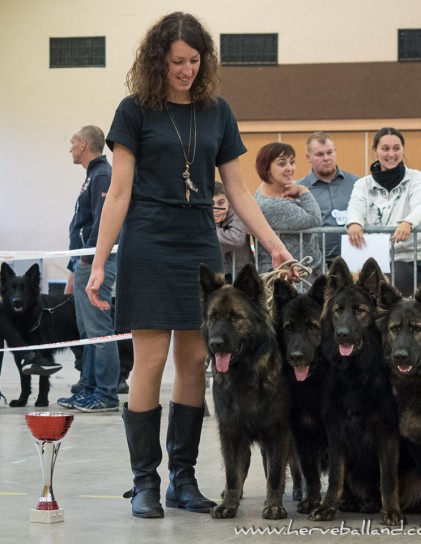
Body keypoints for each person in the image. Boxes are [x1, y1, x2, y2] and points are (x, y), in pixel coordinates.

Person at [85, 12, 296, 520]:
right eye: (177, 61)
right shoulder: (133, 111)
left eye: (194, 61)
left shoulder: (216, 111)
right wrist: (98, 263)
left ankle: (183, 478)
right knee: (150, 361)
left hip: (198, 239)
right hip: (149, 240)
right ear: (158, 60)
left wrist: (274, 246)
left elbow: (240, 190)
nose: (186, 70)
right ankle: (144, 483)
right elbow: (118, 191)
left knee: (194, 364)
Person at [56, 125, 120, 413]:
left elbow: (104, 222)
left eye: (72, 143)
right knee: (87, 331)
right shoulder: (93, 175)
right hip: (85, 262)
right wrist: (75, 264)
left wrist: (89, 260)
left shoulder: (103, 175)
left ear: (83, 144)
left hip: (97, 263)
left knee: (99, 330)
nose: (70, 148)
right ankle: (89, 388)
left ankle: (106, 393)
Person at [345, 127, 421, 296]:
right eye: (385, 149)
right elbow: (356, 206)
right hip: (372, 258)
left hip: (408, 258)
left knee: (394, 288)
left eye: (396, 148)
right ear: (375, 151)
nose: (391, 154)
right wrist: (354, 223)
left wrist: (408, 222)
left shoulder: (417, 178)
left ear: (403, 150)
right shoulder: (363, 184)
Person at [254, 142, 323, 280]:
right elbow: (315, 219)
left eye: (292, 162)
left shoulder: (265, 191)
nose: (290, 168)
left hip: (296, 271)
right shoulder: (273, 206)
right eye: (282, 164)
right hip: (293, 275)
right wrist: (303, 190)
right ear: (266, 168)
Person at [296, 132, 359, 266]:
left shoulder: (357, 184)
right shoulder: (298, 189)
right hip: (315, 265)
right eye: (319, 154)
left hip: (354, 260)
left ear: (335, 152)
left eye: (330, 152)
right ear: (308, 157)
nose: (326, 158)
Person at [213, 180, 254, 283]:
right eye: (211, 204)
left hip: (243, 271)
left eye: (221, 202)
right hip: (222, 272)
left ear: (228, 201)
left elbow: (237, 239)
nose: (216, 208)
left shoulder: (237, 213)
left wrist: (213, 230)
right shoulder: (206, 216)